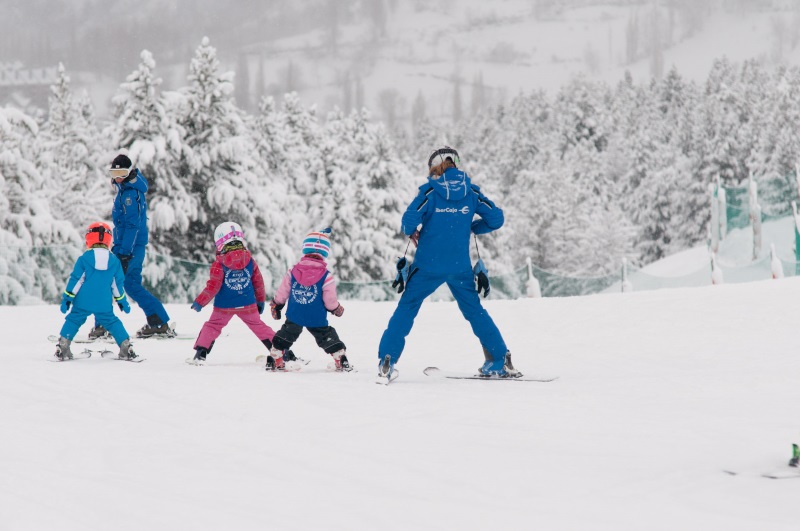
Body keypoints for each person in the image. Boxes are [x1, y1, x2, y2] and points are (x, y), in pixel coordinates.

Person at [376, 146, 520, 383]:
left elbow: (408, 220)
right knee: (475, 312)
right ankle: (500, 360)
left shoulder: (430, 193)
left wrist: (412, 232)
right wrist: (473, 226)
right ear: (456, 165)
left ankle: (387, 362)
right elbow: (496, 219)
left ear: (434, 168)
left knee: (406, 309)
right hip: (459, 266)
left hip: (427, 266)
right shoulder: (471, 192)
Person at [89, 153, 173, 339]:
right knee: (131, 285)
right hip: (130, 247)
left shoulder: (129, 194)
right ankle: (158, 321)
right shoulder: (127, 190)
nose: (117, 176)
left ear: (128, 172)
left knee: (104, 283)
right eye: (114, 171)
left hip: (130, 248)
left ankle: (102, 326)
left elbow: (133, 225)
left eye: (121, 172)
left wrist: (125, 253)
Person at [187, 222, 278, 365]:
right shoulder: (249, 261)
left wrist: (200, 302)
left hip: (224, 306)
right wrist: (260, 301)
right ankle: (282, 351)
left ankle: (200, 353)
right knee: (259, 327)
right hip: (247, 304)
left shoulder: (219, 263)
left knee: (212, 326)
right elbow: (258, 283)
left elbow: (213, 286)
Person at [267, 228, 351, 372]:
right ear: (324, 252)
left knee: (287, 333)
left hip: (295, 314)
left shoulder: (293, 271)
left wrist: (277, 304)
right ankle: (340, 357)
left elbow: (283, 291)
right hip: (316, 315)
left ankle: (275, 357)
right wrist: (335, 308)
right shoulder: (326, 276)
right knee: (325, 335)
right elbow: (330, 300)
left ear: (305, 249)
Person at [55, 222, 136, 360]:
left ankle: (63, 346)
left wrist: (67, 298)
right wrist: (122, 301)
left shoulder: (84, 259)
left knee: (74, 320)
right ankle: (125, 347)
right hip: (103, 303)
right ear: (108, 240)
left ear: (89, 239)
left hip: (82, 301)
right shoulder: (114, 261)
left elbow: (76, 280)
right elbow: (116, 285)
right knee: (112, 322)